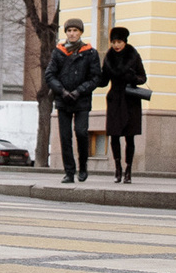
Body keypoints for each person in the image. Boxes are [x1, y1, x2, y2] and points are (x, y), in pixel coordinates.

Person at [44, 21, 101, 183]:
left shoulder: (90, 52)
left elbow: (95, 77)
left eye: (75, 30)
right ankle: (69, 171)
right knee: (65, 137)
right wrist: (61, 91)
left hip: (81, 100)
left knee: (81, 133)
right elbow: (49, 75)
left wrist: (79, 91)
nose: (72, 33)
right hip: (63, 100)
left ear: (81, 32)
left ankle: (83, 166)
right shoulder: (58, 52)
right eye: (69, 30)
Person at [99, 26, 147, 184]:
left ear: (125, 42)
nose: (116, 45)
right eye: (113, 42)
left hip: (130, 100)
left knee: (130, 137)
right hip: (114, 99)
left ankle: (128, 170)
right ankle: (117, 168)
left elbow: (143, 78)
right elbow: (104, 80)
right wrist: (94, 77)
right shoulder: (109, 58)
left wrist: (133, 77)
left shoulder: (133, 55)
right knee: (114, 135)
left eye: (119, 42)